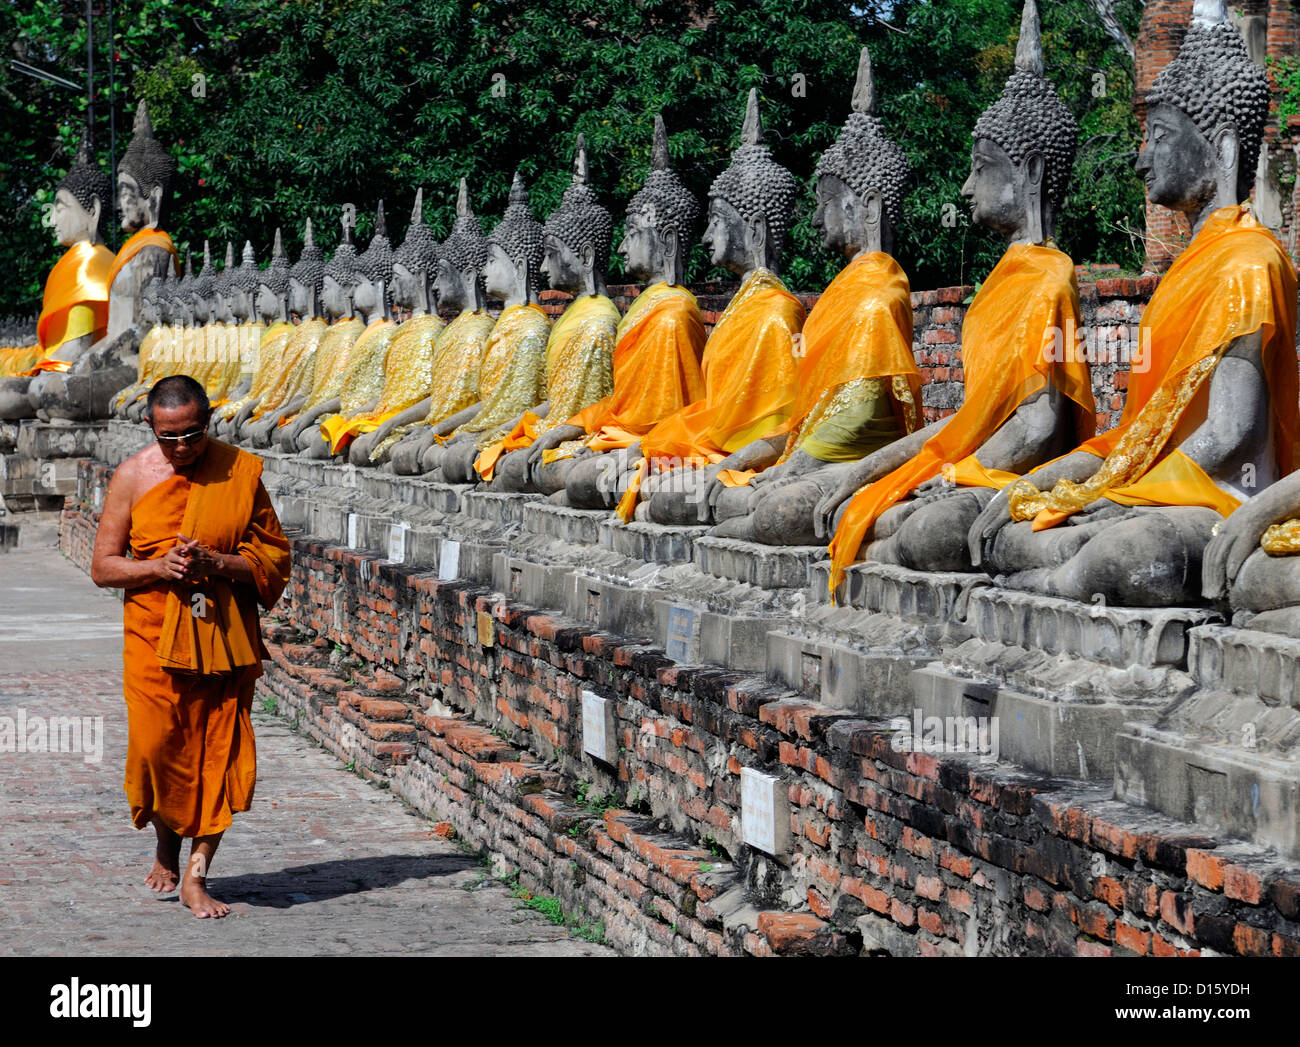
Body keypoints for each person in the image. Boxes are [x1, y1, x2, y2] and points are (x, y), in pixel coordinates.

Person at [90, 375, 291, 918]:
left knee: (216, 753)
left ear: (211, 421)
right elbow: (103, 566)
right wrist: (158, 566)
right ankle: (165, 843)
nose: (182, 448)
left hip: (222, 638)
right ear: (151, 428)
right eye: (169, 437)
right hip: (152, 636)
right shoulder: (133, 477)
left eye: (193, 435)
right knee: (156, 751)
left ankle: (197, 875)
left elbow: (274, 559)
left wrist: (217, 564)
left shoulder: (238, 472)